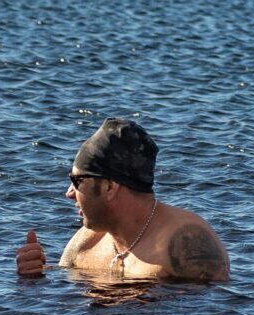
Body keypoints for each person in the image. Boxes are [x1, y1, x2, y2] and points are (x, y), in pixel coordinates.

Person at [15, 117, 228, 283]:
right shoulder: (86, 242)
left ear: (109, 187)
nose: (69, 193)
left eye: (77, 181)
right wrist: (35, 276)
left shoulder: (186, 246)